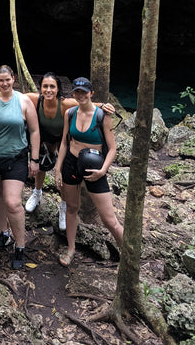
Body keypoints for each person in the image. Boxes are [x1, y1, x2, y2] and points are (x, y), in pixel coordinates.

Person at [0, 72, 115, 230]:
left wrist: (103, 106)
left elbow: (86, 101)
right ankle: (37, 192)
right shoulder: (35, 99)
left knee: (63, 177)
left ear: (58, 89)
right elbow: (13, 93)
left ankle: (64, 206)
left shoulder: (65, 103)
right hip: (44, 137)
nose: (48, 90)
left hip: (64, 139)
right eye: (45, 86)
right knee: (40, 166)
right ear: (40, 88)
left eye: (52, 87)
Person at [54, 77, 123, 267]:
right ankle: (70, 248)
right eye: (77, 92)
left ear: (91, 93)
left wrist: (103, 171)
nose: (80, 95)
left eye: (84, 92)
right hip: (71, 163)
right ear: (73, 94)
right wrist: (58, 168)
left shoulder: (102, 116)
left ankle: (128, 253)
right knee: (72, 208)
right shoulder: (70, 113)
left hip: (95, 166)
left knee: (108, 218)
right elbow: (64, 142)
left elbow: (113, 148)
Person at [0, 64, 40, 270]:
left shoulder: (23, 101)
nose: (5, 83)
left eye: (8, 80)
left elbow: (34, 131)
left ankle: (20, 246)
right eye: (1, 80)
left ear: (14, 79)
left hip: (16, 157)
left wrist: (34, 159)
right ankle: (2, 233)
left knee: (13, 203)